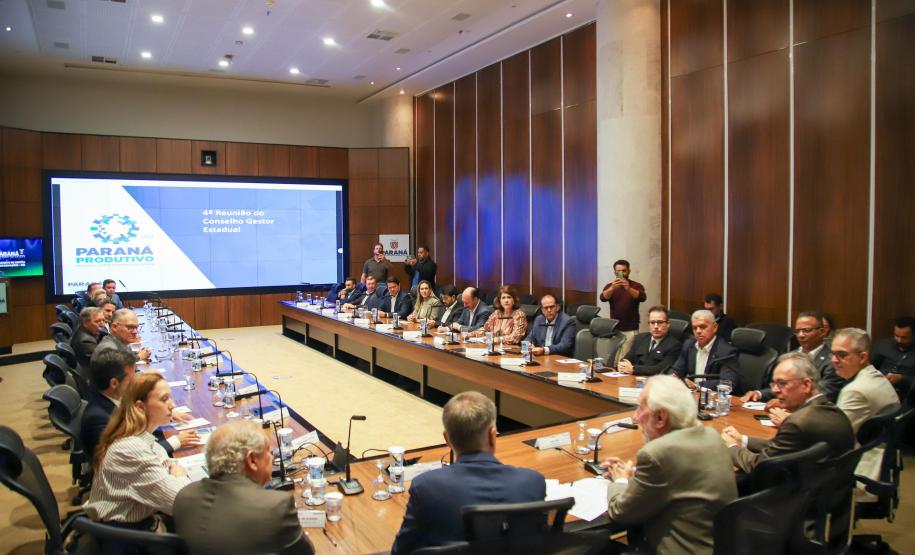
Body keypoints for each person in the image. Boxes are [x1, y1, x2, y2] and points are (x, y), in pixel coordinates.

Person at [391, 391, 546, 554]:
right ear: (493, 435)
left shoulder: (425, 487)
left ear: (447, 440)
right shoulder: (533, 481)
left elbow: (401, 551)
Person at [604, 375, 736, 554]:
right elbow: (678, 478)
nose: (635, 417)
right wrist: (638, 475)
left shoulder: (656, 454)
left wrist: (619, 481)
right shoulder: (712, 436)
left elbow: (620, 513)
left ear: (660, 417)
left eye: (641, 408)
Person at [173, 422, 315, 555]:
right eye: (268, 452)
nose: (272, 458)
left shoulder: (184, 496)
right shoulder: (275, 505)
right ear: (252, 460)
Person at [84, 373, 191, 531]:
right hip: (130, 539)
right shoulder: (130, 449)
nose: (172, 405)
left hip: (138, 524)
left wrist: (174, 470)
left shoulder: (140, 437)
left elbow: (167, 461)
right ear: (140, 407)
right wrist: (180, 475)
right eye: (164, 399)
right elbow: (183, 504)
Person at [722, 352, 854, 473]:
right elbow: (781, 447)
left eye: (782, 383)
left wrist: (732, 447)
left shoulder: (797, 422)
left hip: (798, 494)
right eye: (774, 384)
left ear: (806, 385)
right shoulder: (829, 408)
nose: (776, 390)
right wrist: (743, 440)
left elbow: (760, 467)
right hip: (830, 490)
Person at [80, 349, 195, 462]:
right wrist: (176, 441)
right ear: (114, 383)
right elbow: (128, 459)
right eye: (132, 378)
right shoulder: (98, 418)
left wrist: (163, 411)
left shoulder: (114, 399)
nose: (137, 380)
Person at [741, 311, 846, 405]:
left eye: (806, 330)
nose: (801, 335)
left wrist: (785, 401)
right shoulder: (790, 357)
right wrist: (759, 394)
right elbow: (783, 386)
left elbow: (823, 395)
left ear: (822, 332)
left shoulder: (832, 361)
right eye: (797, 331)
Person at [832, 328, 900, 433]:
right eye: (833, 354)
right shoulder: (877, 376)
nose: (834, 360)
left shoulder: (854, 391)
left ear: (862, 357)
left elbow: (837, 435)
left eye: (841, 354)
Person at [669, 310, 741, 393]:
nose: (698, 331)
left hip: (715, 398)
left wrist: (697, 385)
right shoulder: (689, 345)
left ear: (715, 327)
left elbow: (729, 382)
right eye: (695, 328)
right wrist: (672, 377)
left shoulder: (726, 351)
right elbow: (677, 370)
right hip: (692, 395)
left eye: (703, 327)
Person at [599, 259, 647, 363]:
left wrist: (628, 288)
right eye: (618, 271)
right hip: (615, 329)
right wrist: (612, 288)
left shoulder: (636, 285)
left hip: (630, 329)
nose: (621, 274)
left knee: (625, 360)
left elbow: (642, 297)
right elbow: (603, 298)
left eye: (624, 271)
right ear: (614, 272)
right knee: (613, 359)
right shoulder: (610, 286)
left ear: (629, 271)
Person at [618, 306, 682, 376]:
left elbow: (659, 369)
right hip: (633, 380)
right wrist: (622, 365)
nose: (656, 326)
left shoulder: (674, 345)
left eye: (660, 322)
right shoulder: (640, 338)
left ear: (668, 324)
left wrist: (633, 369)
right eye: (652, 322)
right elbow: (626, 359)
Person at [870, 316, 914, 398]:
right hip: (879, 387)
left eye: (904, 338)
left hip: (906, 395)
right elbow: (868, 366)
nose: (899, 340)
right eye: (896, 336)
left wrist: (902, 379)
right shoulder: (883, 345)